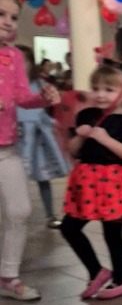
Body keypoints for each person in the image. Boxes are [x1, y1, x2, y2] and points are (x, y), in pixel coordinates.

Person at [60, 62, 122, 299]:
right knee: (69, 228)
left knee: (112, 234)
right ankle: (97, 271)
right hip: (88, 182)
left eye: (109, 89)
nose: (100, 94)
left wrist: (105, 139)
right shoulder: (87, 116)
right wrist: (80, 137)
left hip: (116, 183)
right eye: (96, 88)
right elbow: (73, 151)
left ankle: (120, 282)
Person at [0, 0, 60, 300]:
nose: (8, 22)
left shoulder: (13, 56)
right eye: (1, 14)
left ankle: (8, 276)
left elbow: (22, 97)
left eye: (13, 17)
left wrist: (42, 98)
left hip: (7, 148)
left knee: (20, 210)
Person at [15, 44, 69, 228]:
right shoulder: (7, 84)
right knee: (14, 179)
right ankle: (14, 215)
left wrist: (52, 121)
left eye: (24, 61)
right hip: (17, 136)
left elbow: (50, 105)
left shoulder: (39, 84)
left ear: (31, 63)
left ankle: (50, 215)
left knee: (43, 177)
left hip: (38, 137)